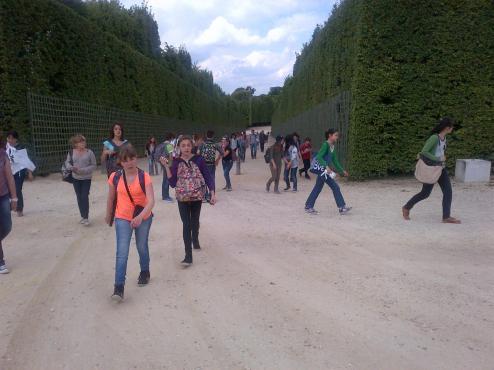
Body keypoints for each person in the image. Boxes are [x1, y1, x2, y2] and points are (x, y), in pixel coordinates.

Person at [105, 145, 155, 301]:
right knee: (122, 252)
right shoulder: (115, 177)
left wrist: (140, 216)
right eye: (125, 160)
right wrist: (109, 215)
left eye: (132, 158)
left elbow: (151, 201)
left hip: (143, 216)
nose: (129, 162)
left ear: (136, 158)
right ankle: (118, 287)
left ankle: (145, 271)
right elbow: (111, 198)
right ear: (120, 162)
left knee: (141, 246)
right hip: (122, 217)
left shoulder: (144, 176)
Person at [162, 136, 216, 266]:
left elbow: (208, 176)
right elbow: (173, 183)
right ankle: (188, 256)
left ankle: (195, 239)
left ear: (191, 146)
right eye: (183, 145)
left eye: (188, 145)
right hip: (182, 197)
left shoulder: (199, 160)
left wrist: (212, 193)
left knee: (195, 221)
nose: (186, 148)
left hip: (197, 196)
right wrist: (166, 167)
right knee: (186, 224)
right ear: (179, 148)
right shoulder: (175, 162)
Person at [402, 117, 461, 223]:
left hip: (440, 168)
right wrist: (438, 158)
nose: (453, 128)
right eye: (452, 127)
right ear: (447, 128)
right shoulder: (434, 138)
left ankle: (446, 217)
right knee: (425, 193)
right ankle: (406, 207)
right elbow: (424, 152)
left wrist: (441, 160)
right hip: (432, 169)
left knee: (448, 192)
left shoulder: (444, 138)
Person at [305, 128, 352, 215]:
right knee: (335, 187)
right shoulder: (325, 145)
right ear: (330, 135)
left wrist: (342, 170)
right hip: (324, 171)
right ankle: (341, 207)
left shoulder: (332, 146)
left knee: (318, 188)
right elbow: (319, 157)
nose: (337, 137)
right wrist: (326, 166)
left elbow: (335, 161)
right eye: (336, 135)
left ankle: (308, 206)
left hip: (324, 171)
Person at [65, 134, 96, 226]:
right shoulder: (71, 152)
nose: (83, 143)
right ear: (76, 144)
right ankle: (83, 216)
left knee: (84, 196)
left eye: (84, 141)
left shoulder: (89, 152)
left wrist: (83, 170)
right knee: (79, 196)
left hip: (86, 178)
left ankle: (86, 217)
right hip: (76, 178)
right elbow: (67, 162)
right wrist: (71, 167)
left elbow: (94, 165)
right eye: (81, 141)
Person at [6, 131, 35, 217]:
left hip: (20, 171)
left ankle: (20, 208)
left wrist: (30, 173)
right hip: (10, 171)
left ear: (16, 139)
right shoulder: (5, 148)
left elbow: (26, 160)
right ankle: (11, 206)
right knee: (10, 189)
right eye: (9, 138)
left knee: (17, 189)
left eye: (12, 138)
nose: (10, 140)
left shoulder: (20, 148)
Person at [0, 134, 18, 274]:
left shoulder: (2, 154)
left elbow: (9, 177)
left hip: (3, 195)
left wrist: (14, 198)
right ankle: (1, 262)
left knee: (7, 227)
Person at [199, 130, 223, 202]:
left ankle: (204, 196)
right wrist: (217, 160)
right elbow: (222, 153)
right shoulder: (215, 144)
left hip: (203, 164)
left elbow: (198, 154)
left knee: (203, 179)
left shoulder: (203, 144)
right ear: (213, 136)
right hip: (211, 164)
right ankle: (211, 196)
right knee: (212, 179)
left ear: (206, 135)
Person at [154, 133, 175, 202]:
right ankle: (165, 197)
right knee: (167, 179)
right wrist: (170, 164)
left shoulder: (161, 144)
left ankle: (165, 195)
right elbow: (171, 156)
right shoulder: (169, 145)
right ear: (171, 138)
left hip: (162, 161)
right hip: (167, 163)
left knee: (165, 179)